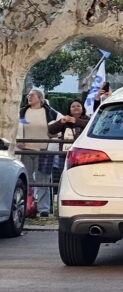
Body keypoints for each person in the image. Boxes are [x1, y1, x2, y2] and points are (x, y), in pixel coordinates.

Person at [17, 89, 61, 218]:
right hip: (25, 150)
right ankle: (26, 206)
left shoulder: (51, 112)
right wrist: (18, 140)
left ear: (40, 98)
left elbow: (60, 125)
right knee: (26, 180)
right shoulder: (22, 111)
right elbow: (15, 127)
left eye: (32, 95)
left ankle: (44, 209)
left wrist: (55, 136)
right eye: (28, 95)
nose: (29, 97)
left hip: (44, 151)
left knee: (43, 180)